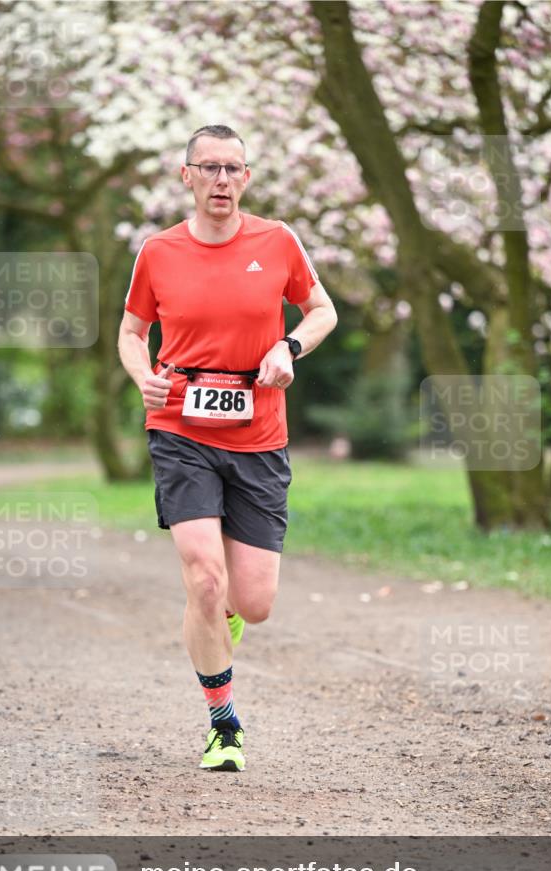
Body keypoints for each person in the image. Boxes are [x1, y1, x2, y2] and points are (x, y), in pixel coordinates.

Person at [118, 124, 337, 772]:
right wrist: (142, 375)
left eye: (232, 168)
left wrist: (287, 346)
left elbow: (320, 310)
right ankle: (224, 723)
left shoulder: (278, 242)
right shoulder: (157, 253)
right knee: (203, 576)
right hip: (180, 428)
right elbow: (131, 333)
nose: (221, 179)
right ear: (185, 176)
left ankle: (221, 615)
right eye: (208, 167)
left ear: (246, 178)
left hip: (259, 435)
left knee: (254, 602)